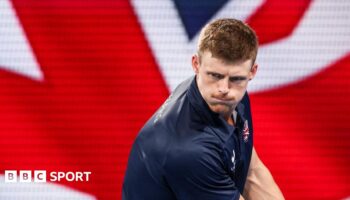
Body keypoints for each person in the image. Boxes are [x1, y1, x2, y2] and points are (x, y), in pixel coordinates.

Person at [122, 18, 285, 200]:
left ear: (252, 72)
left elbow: (252, 174)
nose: (224, 89)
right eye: (215, 75)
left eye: (236, 79)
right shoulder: (190, 152)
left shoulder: (231, 98)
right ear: (196, 64)